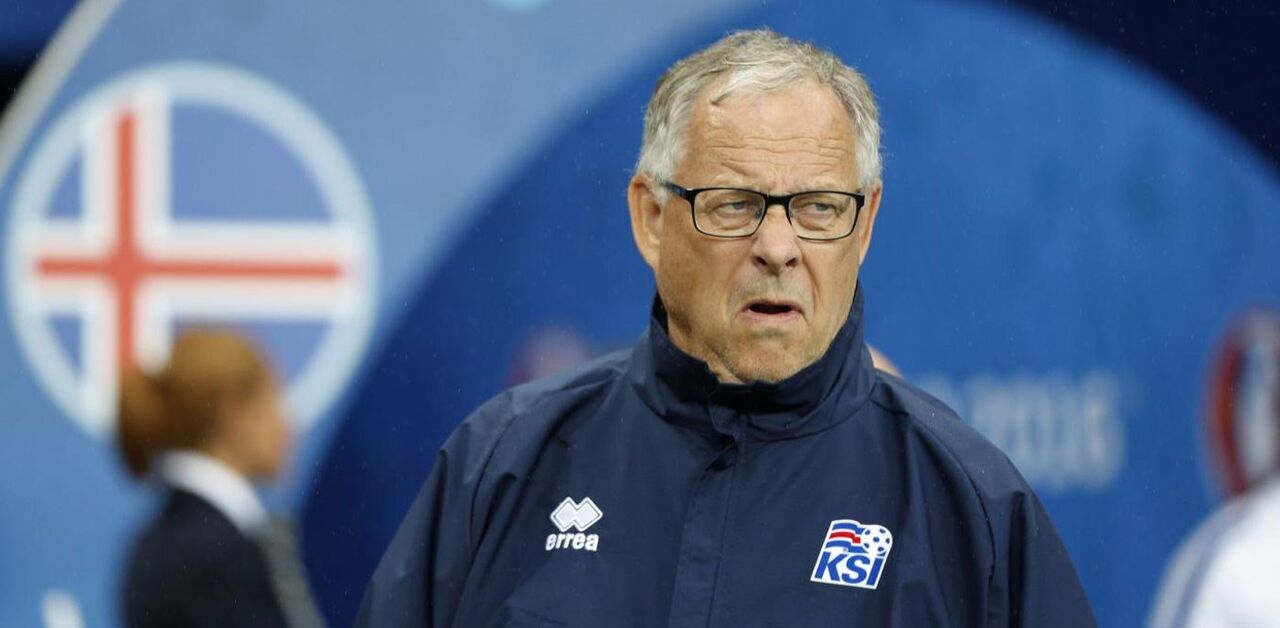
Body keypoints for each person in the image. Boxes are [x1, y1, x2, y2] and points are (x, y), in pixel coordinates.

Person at [360, 29, 1093, 627]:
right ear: (651, 218)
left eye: (819, 207)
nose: (778, 248)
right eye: (734, 204)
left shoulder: (972, 508)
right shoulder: (503, 466)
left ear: (866, 225)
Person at [117, 329, 321, 628]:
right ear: (235, 414)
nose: (287, 426)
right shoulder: (221, 557)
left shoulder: (162, 543)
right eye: (274, 402)